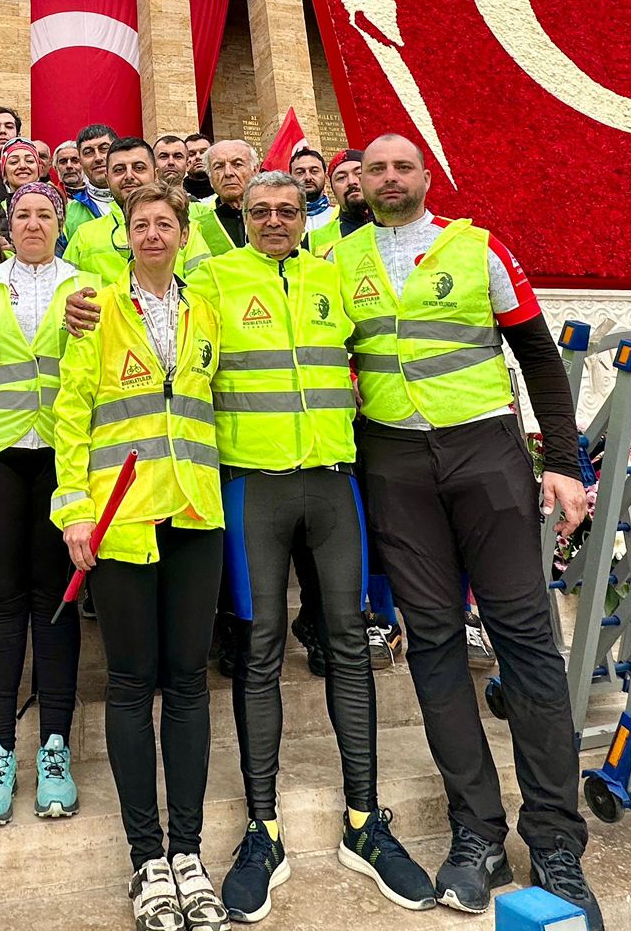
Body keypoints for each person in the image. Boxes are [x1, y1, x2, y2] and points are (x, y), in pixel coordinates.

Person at [334, 134, 599, 923]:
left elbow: (539, 359)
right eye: (375, 169)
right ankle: (476, 832)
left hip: (485, 453)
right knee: (436, 644)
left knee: (526, 642)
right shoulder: (335, 263)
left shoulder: (478, 247)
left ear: (424, 177)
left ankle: (554, 838)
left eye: (401, 167)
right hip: (393, 466)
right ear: (360, 183)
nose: (388, 178)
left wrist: (565, 462)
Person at [194, 173, 432, 917]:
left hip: (333, 483)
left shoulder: (334, 276)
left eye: (287, 210)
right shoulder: (213, 278)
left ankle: (365, 822)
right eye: (260, 210)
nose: (273, 220)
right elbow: (153, 319)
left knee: (348, 642)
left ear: (306, 217)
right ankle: (261, 831)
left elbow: (395, 341)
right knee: (261, 646)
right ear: (242, 216)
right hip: (252, 486)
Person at [51, 178, 227, 931]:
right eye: (139, 224)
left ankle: (187, 853)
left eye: (164, 223)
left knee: (188, 682)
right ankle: (145, 858)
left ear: (184, 234)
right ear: (124, 235)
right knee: (130, 682)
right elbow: (70, 411)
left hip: (195, 513)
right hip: (121, 519)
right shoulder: (94, 309)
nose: (152, 234)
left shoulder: (207, 309)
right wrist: (72, 510)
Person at [0, 181, 95, 825]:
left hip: (66, 458)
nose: (33, 223)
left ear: (60, 224)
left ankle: (54, 745)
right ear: (5, 230)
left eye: (45, 214)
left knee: (56, 600)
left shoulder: (88, 285)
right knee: (1, 600)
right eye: (22, 215)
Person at [61, 136, 179, 283]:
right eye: (119, 170)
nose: (129, 176)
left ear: (155, 175)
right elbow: (65, 289)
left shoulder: (184, 230)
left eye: (139, 168)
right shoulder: (83, 236)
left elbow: (203, 293)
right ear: (108, 178)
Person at [189, 140, 258, 259]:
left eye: (237, 164)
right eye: (219, 167)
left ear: (255, 170)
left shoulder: (278, 217)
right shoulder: (197, 227)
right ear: (210, 178)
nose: (228, 173)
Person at [63, 123, 116, 241]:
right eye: (88, 152)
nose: (98, 158)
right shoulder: (68, 213)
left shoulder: (144, 201)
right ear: (80, 161)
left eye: (104, 149)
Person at [291, 148, 333, 239]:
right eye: (300, 172)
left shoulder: (340, 215)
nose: (308, 177)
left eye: (314, 171)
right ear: (290, 179)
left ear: (326, 177)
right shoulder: (281, 219)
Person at [184, 133, 213, 202]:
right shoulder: (176, 195)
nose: (198, 157)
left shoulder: (227, 190)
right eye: (191, 154)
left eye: (203, 152)